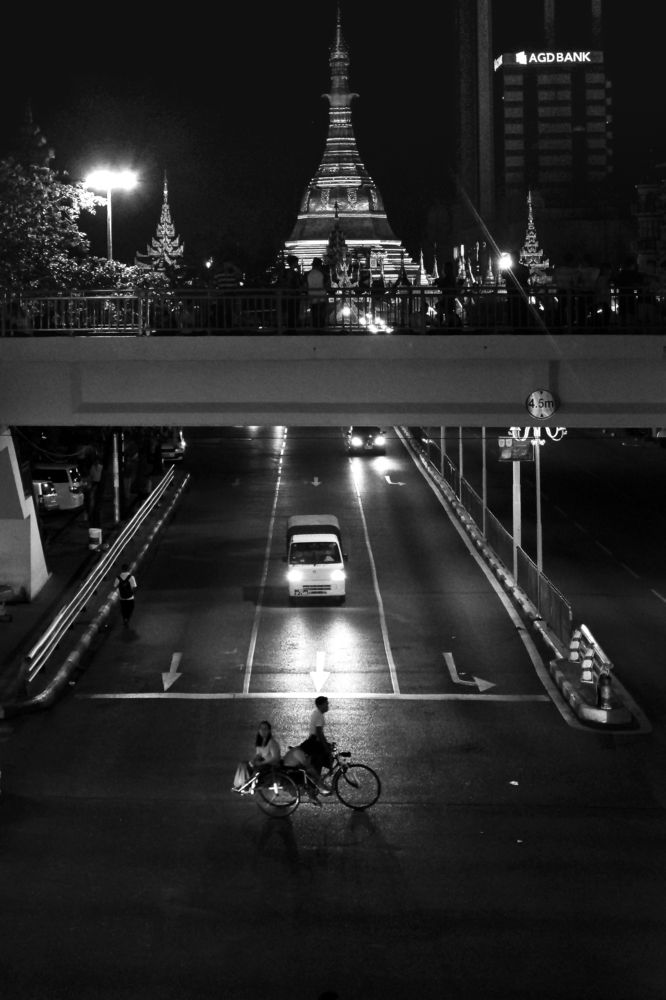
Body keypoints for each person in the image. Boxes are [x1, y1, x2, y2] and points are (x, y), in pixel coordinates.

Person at [232, 721, 281, 792]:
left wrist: (261, 763)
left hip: (271, 765)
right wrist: (253, 760)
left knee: (256, 768)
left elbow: (275, 758)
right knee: (243, 764)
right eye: (261, 729)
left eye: (265, 729)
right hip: (263, 763)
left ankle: (246, 786)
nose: (263, 731)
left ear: (269, 731)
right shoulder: (260, 742)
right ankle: (240, 784)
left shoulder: (272, 742)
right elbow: (259, 754)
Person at [308, 695, 334, 775]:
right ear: (320, 705)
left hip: (312, 741)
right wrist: (325, 745)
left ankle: (319, 776)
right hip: (315, 742)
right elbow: (319, 732)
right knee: (328, 756)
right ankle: (325, 774)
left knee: (319, 762)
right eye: (326, 704)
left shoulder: (316, 713)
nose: (327, 706)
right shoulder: (319, 715)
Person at [305, 257, 328, 328]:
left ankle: (315, 328)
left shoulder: (307, 274)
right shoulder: (323, 274)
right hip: (321, 296)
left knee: (314, 313)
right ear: (320, 265)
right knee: (321, 314)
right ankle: (321, 328)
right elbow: (326, 284)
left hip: (312, 296)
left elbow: (305, 285)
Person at [113, 562, 137, 627]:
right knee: (131, 608)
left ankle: (124, 619)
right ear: (128, 569)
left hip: (122, 597)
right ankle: (127, 619)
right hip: (130, 597)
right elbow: (134, 586)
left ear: (122, 569)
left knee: (123, 609)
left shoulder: (118, 577)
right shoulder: (131, 577)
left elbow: (115, 586)